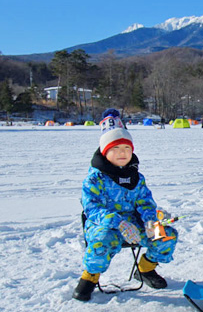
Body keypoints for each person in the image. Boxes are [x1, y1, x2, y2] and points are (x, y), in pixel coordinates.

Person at [73, 109, 177, 301]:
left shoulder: (136, 176)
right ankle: (90, 277)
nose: (122, 153)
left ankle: (145, 269)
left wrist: (150, 220)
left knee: (166, 234)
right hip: (105, 226)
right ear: (105, 152)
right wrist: (118, 222)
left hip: (135, 224)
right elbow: (92, 209)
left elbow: (145, 202)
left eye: (127, 149)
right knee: (100, 241)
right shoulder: (95, 179)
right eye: (116, 149)